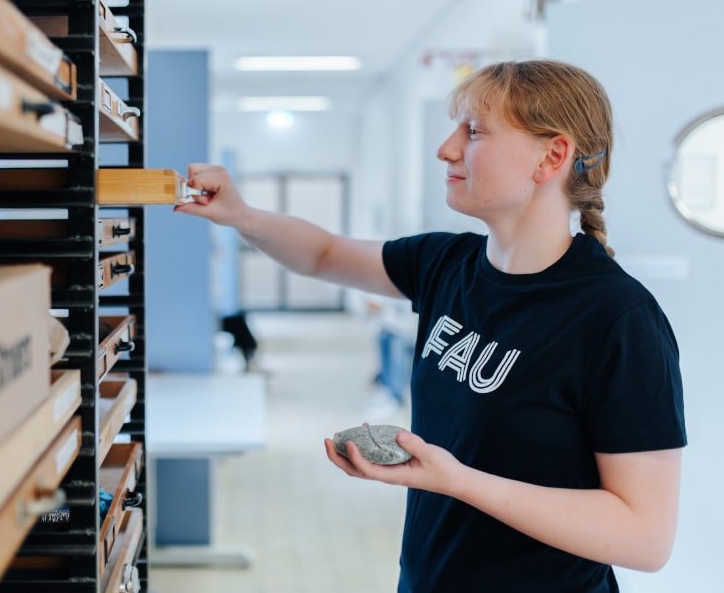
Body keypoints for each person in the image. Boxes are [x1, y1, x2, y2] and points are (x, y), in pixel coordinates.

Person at [174, 59, 686, 592]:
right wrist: (244, 216)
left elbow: (644, 538)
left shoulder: (618, 319)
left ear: (551, 156)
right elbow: (324, 255)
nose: (446, 149)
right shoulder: (447, 263)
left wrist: (457, 481)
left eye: (474, 131)